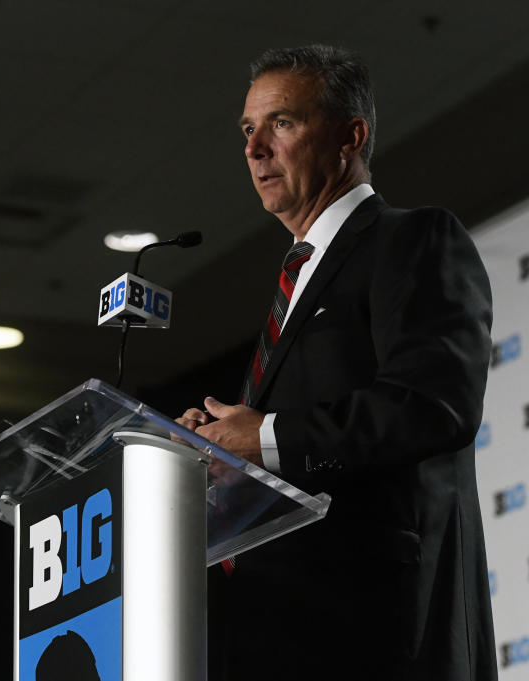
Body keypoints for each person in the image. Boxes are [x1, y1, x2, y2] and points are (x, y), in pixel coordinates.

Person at [177, 45, 496, 680]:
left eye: (282, 123)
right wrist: (215, 454)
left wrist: (264, 436)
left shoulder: (413, 240)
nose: (255, 148)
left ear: (351, 136)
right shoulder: (291, 285)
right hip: (287, 631)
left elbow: (435, 405)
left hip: (386, 631)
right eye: (248, 129)